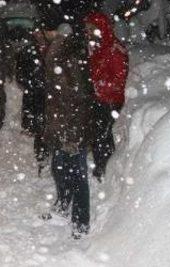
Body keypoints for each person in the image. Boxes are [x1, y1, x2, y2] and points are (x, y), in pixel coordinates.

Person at [39, 12, 95, 238]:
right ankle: (62, 208)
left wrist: (72, 132)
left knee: (77, 175)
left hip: (73, 127)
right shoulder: (59, 52)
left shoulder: (67, 55)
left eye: (45, 31)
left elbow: (79, 96)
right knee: (59, 168)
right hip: (62, 124)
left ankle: (81, 224)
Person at [84, 11, 129, 181]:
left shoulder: (114, 49)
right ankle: (102, 166)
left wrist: (97, 86)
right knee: (98, 135)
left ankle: (105, 168)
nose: (87, 33)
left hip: (110, 101)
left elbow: (118, 79)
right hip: (99, 98)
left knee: (101, 135)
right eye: (86, 29)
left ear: (100, 28)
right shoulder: (98, 47)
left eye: (91, 29)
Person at [15, 30, 47, 172]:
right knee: (36, 119)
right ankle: (41, 156)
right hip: (33, 91)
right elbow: (20, 71)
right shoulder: (28, 50)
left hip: (47, 94)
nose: (39, 36)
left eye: (41, 34)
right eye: (37, 35)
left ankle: (43, 155)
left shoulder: (52, 50)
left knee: (44, 124)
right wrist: (28, 83)